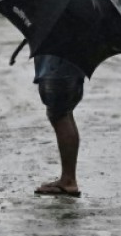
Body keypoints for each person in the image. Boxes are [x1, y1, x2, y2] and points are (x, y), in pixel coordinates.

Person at [32, 53, 85, 197]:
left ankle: (68, 180)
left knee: (59, 115)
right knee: (64, 114)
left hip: (59, 67)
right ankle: (68, 178)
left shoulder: (61, 33)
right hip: (71, 66)